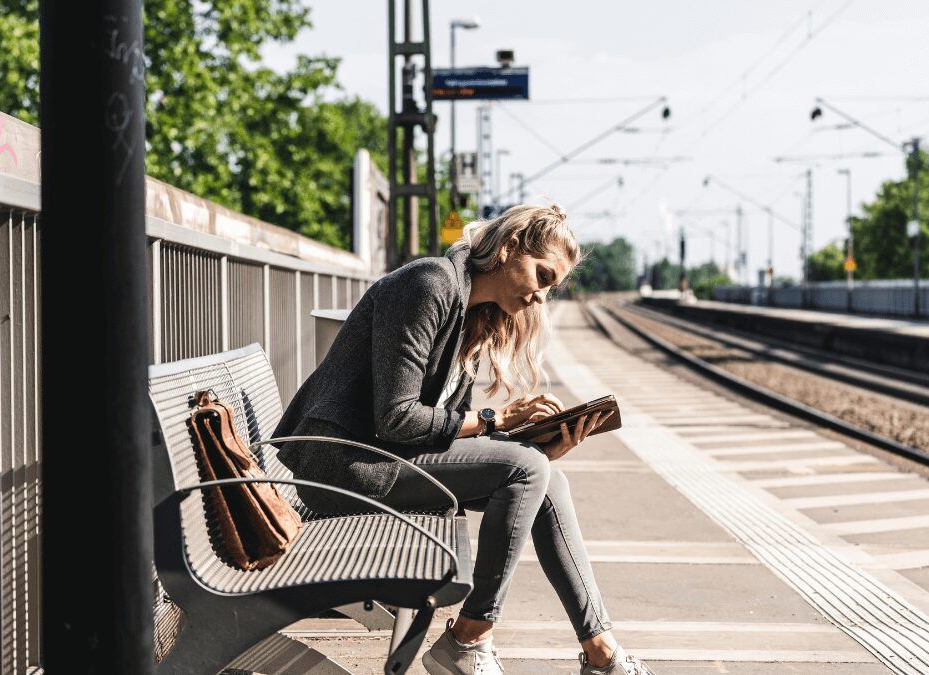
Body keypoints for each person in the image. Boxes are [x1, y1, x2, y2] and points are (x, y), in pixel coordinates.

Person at [273, 204, 654, 675]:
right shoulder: (429, 284)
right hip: (342, 467)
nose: (541, 296)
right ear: (510, 248)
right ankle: (470, 638)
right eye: (542, 275)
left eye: (551, 287)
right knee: (525, 469)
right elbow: (397, 419)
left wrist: (532, 444)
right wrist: (496, 422)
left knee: (545, 476)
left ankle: (601, 651)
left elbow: (442, 426)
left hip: (385, 459)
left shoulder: (473, 311)